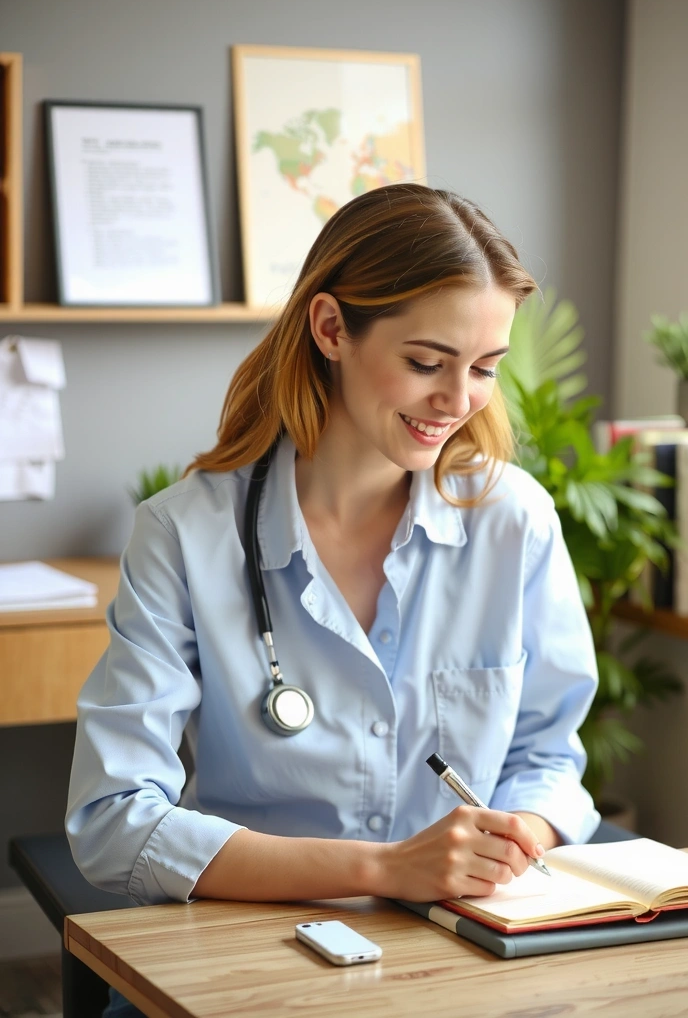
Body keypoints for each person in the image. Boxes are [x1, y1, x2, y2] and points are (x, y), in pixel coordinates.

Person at [66, 183, 600, 1018]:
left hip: (456, 957)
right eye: (426, 363)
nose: (458, 400)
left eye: (484, 368)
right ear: (330, 329)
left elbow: (548, 755)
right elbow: (112, 819)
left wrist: (514, 836)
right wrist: (385, 870)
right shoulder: (185, 534)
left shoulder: (514, 521)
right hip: (245, 955)